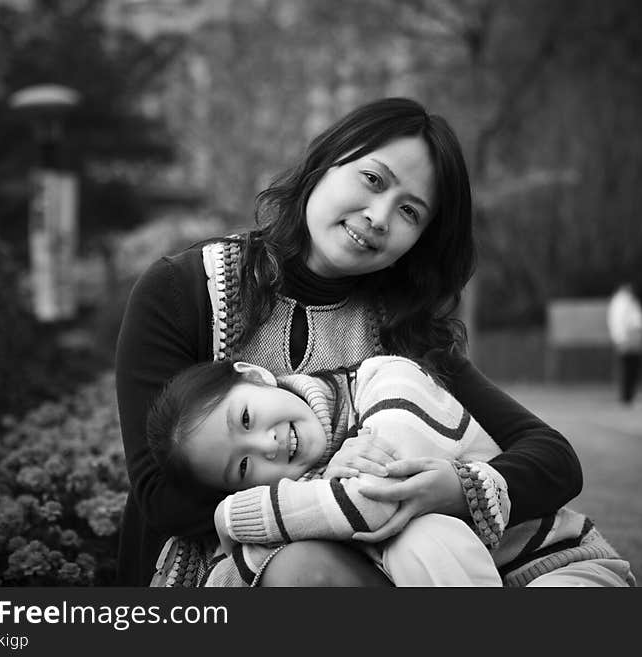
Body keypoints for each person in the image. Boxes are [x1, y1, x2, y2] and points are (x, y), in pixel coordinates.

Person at [115, 97, 584, 587]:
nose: (380, 216)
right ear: (325, 162)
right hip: (215, 572)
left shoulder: (407, 333)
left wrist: (455, 489)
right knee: (303, 571)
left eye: (410, 211)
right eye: (373, 180)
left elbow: (554, 460)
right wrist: (329, 491)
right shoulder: (186, 289)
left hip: (378, 572)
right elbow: (161, 494)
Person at [146, 356, 634, 587]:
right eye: (244, 467)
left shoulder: (385, 380)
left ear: (254, 376)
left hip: (558, 566)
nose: (266, 444)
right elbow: (242, 574)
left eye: (247, 419)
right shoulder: (307, 494)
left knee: (420, 533)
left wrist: (233, 519)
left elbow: (379, 498)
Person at [607, 283, 642, 405]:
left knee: (632, 367)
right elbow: (619, 321)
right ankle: (626, 397)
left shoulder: (628, 300)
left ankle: (629, 395)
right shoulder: (621, 301)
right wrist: (622, 338)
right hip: (629, 338)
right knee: (629, 368)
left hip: (631, 337)